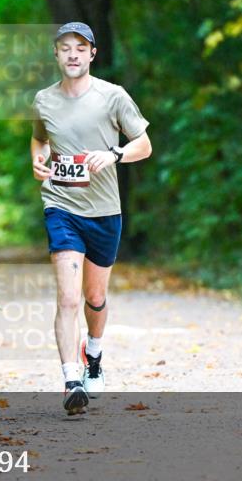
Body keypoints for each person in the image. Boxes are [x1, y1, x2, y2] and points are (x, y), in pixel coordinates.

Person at [30, 22, 153, 414]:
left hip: (104, 211)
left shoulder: (112, 96)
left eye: (80, 48)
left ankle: (94, 355)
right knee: (67, 296)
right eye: (65, 48)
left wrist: (115, 154)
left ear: (92, 54)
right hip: (61, 205)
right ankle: (70, 380)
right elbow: (39, 139)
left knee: (94, 296)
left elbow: (144, 145)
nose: (72, 54)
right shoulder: (43, 100)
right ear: (56, 54)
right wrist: (37, 160)